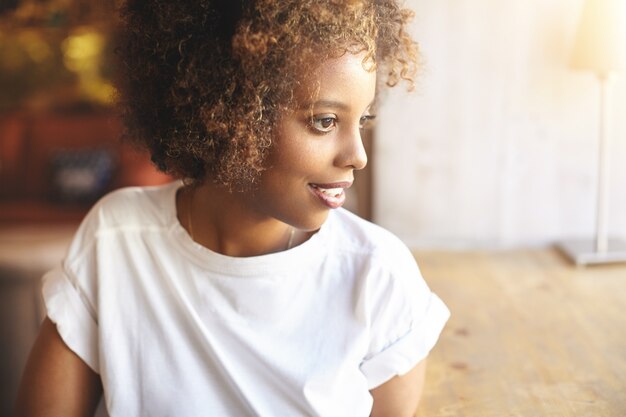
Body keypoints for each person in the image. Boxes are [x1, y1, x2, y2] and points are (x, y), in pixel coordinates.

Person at [15, 1, 450, 416]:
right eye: (325, 121)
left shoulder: (376, 275)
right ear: (227, 109)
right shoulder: (115, 241)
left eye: (364, 120)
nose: (357, 156)